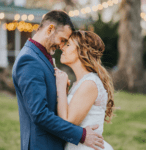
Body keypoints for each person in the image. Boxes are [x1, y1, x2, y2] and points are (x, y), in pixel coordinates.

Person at [12, 10, 104, 150]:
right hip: (42, 145)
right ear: (50, 30)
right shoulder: (29, 60)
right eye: (62, 40)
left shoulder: (40, 56)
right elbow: (39, 114)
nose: (61, 46)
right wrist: (82, 135)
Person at [54, 30, 115, 150]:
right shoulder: (81, 82)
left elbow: (67, 123)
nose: (62, 48)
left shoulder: (90, 83)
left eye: (68, 45)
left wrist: (60, 88)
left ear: (81, 51)